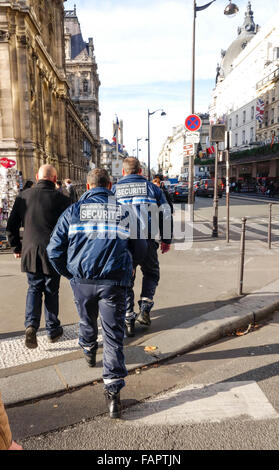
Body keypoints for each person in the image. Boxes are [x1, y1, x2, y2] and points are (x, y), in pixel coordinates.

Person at [47, 168, 147, 419]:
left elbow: (53, 249)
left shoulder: (73, 212)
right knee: (114, 334)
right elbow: (141, 248)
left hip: (81, 279)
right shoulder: (126, 212)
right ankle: (113, 393)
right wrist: (129, 268)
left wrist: (69, 273)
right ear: (110, 185)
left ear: (88, 187)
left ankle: (89, 350)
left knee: (86, 318)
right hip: (113, 282)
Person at [6, 165, 71, 348]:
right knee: (51, 289)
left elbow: (11, 226)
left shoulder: (23, 196)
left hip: (30, 250)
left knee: (34, 288)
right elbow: (69, 229)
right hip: (53, 251)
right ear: (55, 179)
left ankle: (31, 326)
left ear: (37, 177)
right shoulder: (62, 199)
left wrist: (16, 247)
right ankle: (52, 329)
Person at [112, 157, 173, 337]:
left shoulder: (114, 190)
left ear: (123, 172)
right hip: (147, 242)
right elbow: (166, 213)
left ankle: (128, 318)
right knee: (151, 273)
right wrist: (166, 240)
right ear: (141, 172)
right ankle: (145, 308)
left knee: (126, 279)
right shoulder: (153, 188)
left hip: (123, 244)